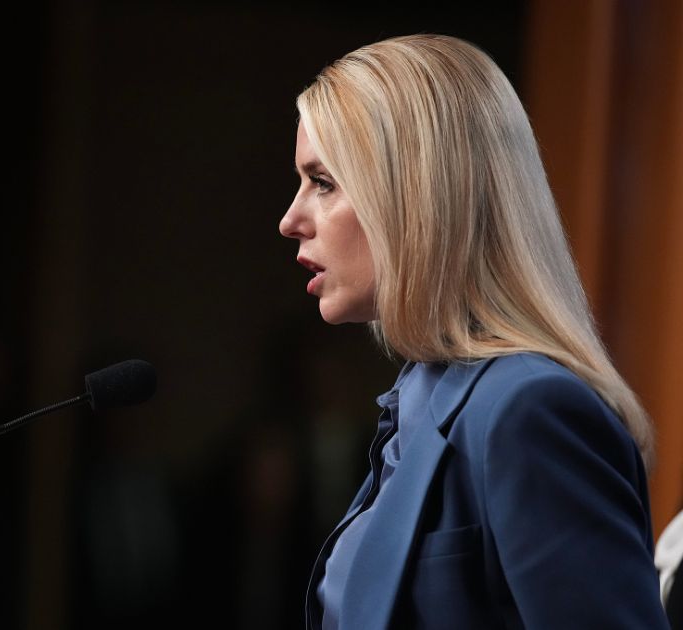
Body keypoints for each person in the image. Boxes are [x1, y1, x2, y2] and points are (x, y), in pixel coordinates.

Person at [277, 35, 669, 629]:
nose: (291, 220)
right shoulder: (418, 394)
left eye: (323, 181)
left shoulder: (529, 408)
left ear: (417, 194)